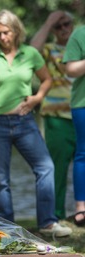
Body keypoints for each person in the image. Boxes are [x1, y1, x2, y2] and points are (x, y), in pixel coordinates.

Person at [0, 10, 72, 237]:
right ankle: (6, 230)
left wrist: (37, 98)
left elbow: (47, 79)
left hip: (25, 122)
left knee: (45, 167)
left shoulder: (30, 54)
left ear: (16, 30)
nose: (3, 38)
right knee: (1, 179)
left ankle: (48, 223)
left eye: (6, 32)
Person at [30, 11, 75, 220]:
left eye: (67, 24)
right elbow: (31, 51)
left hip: (81, 113)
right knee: (57, 168)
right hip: (57, 117)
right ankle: (56, 215)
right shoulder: (49, 49)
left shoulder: (81, 47)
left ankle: (80, 212)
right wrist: (49, 22)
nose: (64, 29)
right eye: (59, 26)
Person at [64, 24, 85, 227]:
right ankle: (81, 207)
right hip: (83, 104)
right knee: (83, 154)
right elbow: (70, 69)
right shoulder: (80, 33)